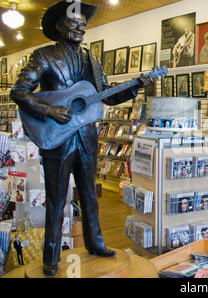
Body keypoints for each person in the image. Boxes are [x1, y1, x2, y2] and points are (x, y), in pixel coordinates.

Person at [9, 1, 152, 276]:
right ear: (59, 27)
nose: (80, 28)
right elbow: (20, 91)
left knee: (89, 195)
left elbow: (106, 95)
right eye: (74, 23)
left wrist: (134, 87)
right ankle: (51, 255)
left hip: (86, 136)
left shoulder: (92, 60)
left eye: (83, 25)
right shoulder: (44, 55)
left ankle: (96, 243)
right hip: (56, 136)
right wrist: (49, 110)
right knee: (56, 199)